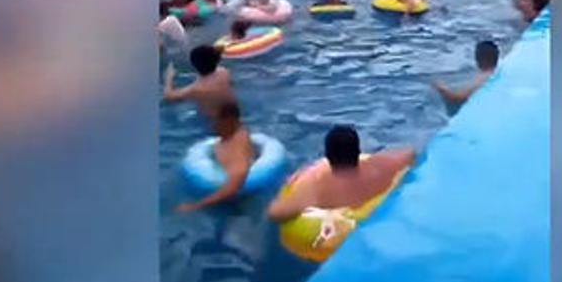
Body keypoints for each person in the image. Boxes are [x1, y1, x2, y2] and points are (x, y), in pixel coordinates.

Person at [266, 125, 416, 222]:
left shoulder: (316, 189)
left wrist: (292, 183)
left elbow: (274, 214)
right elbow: (410, 154)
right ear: (358, 151)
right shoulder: (381, 166)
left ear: (328, 156)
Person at [176, 102, 256, 213]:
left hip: (235, 204)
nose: (212, 124)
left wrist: (195, 206)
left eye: (215, 120)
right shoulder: (229, 136)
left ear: (229, 121)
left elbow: (234, 185)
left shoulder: (237, 146)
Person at [163, 45, 237, 125]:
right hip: (234, 114)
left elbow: (169, 96)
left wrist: (168, 77)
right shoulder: (224, 72)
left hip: (216, 123)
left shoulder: (197, 89)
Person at [433, 40, 499, 105]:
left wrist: (441, 88)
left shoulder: (484, 77)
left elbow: (457, 99)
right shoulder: (497, 73)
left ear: (479, 59)